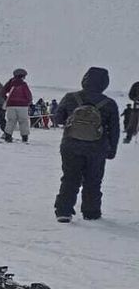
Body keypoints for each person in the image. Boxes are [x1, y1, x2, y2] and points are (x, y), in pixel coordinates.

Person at [52, 67, 120, 222]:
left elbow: (58, 119)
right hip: (97, 148)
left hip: (71, 145)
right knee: (93, 180)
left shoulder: (71, 97)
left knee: (70, 178)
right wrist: (112, 151)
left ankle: (63, 211)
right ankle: (91, 212)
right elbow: (114, 130)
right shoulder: (109, 104)